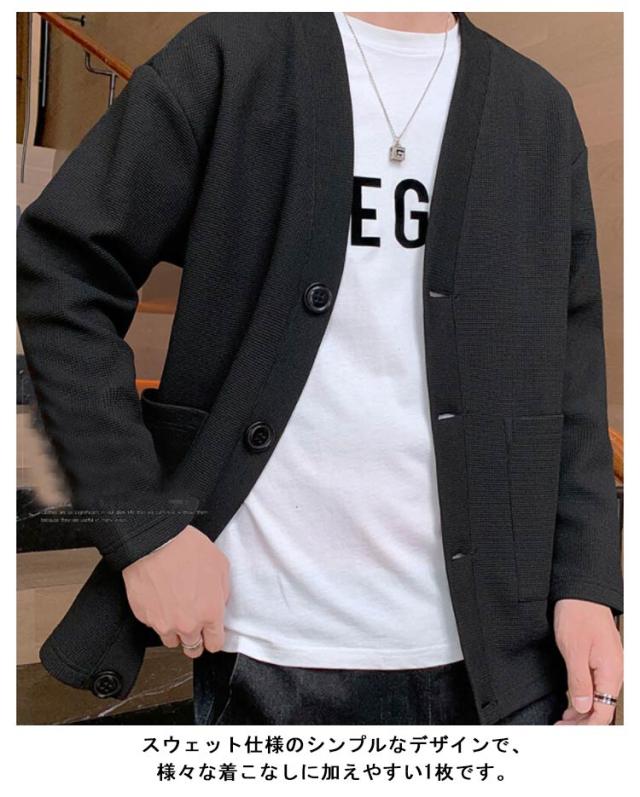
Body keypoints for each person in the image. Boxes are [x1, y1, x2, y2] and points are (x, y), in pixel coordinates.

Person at [16, 11, 623, 725]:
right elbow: (62, 269)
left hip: (508, 653)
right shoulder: (234, 57)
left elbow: (570, 372)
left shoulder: (538, 109)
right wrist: (144, 526)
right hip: (276, 648)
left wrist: (586, 580)